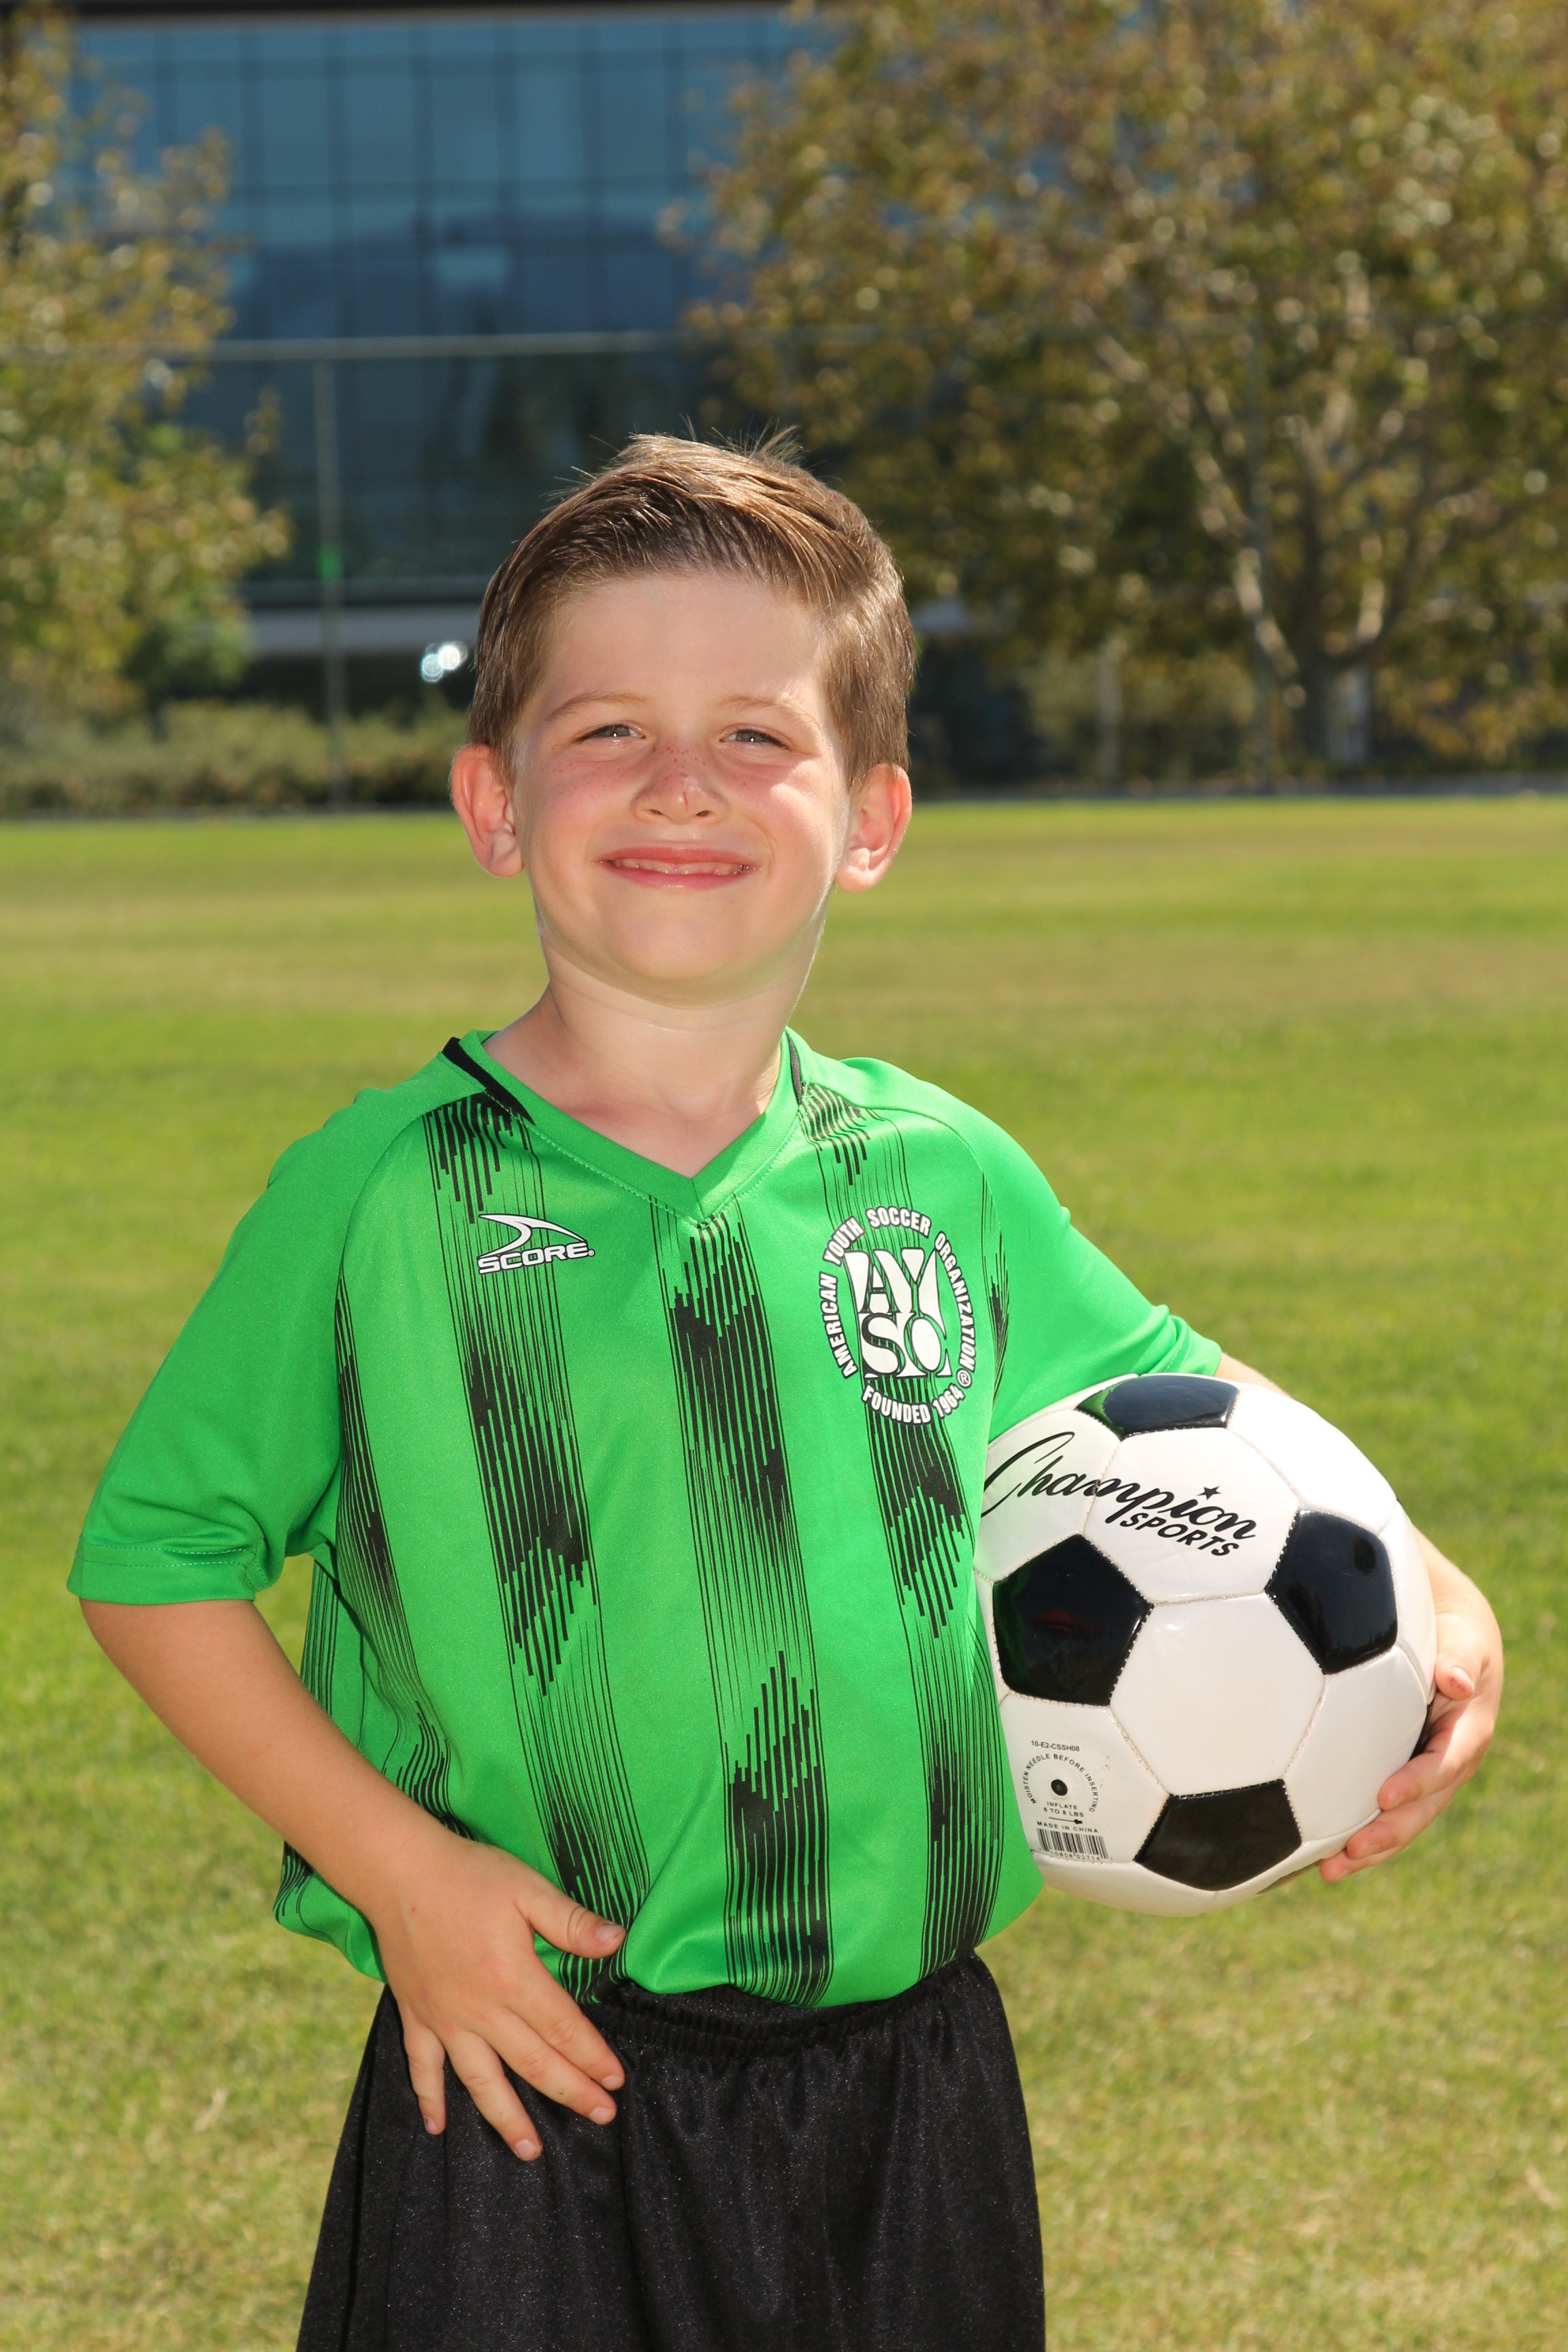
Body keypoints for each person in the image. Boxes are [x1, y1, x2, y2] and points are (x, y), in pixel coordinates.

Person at [71, 436, 1502, 2352]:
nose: (681, 783)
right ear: (493, 801)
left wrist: (1427, 1583)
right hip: (528, 2064)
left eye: (757, 735)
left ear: (875, 815)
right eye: (608, 732)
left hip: (911, 2096)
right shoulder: (382, 1195)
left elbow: (1182, 1391)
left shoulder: (941, 1176)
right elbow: (155, 1558)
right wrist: (403, 1878)